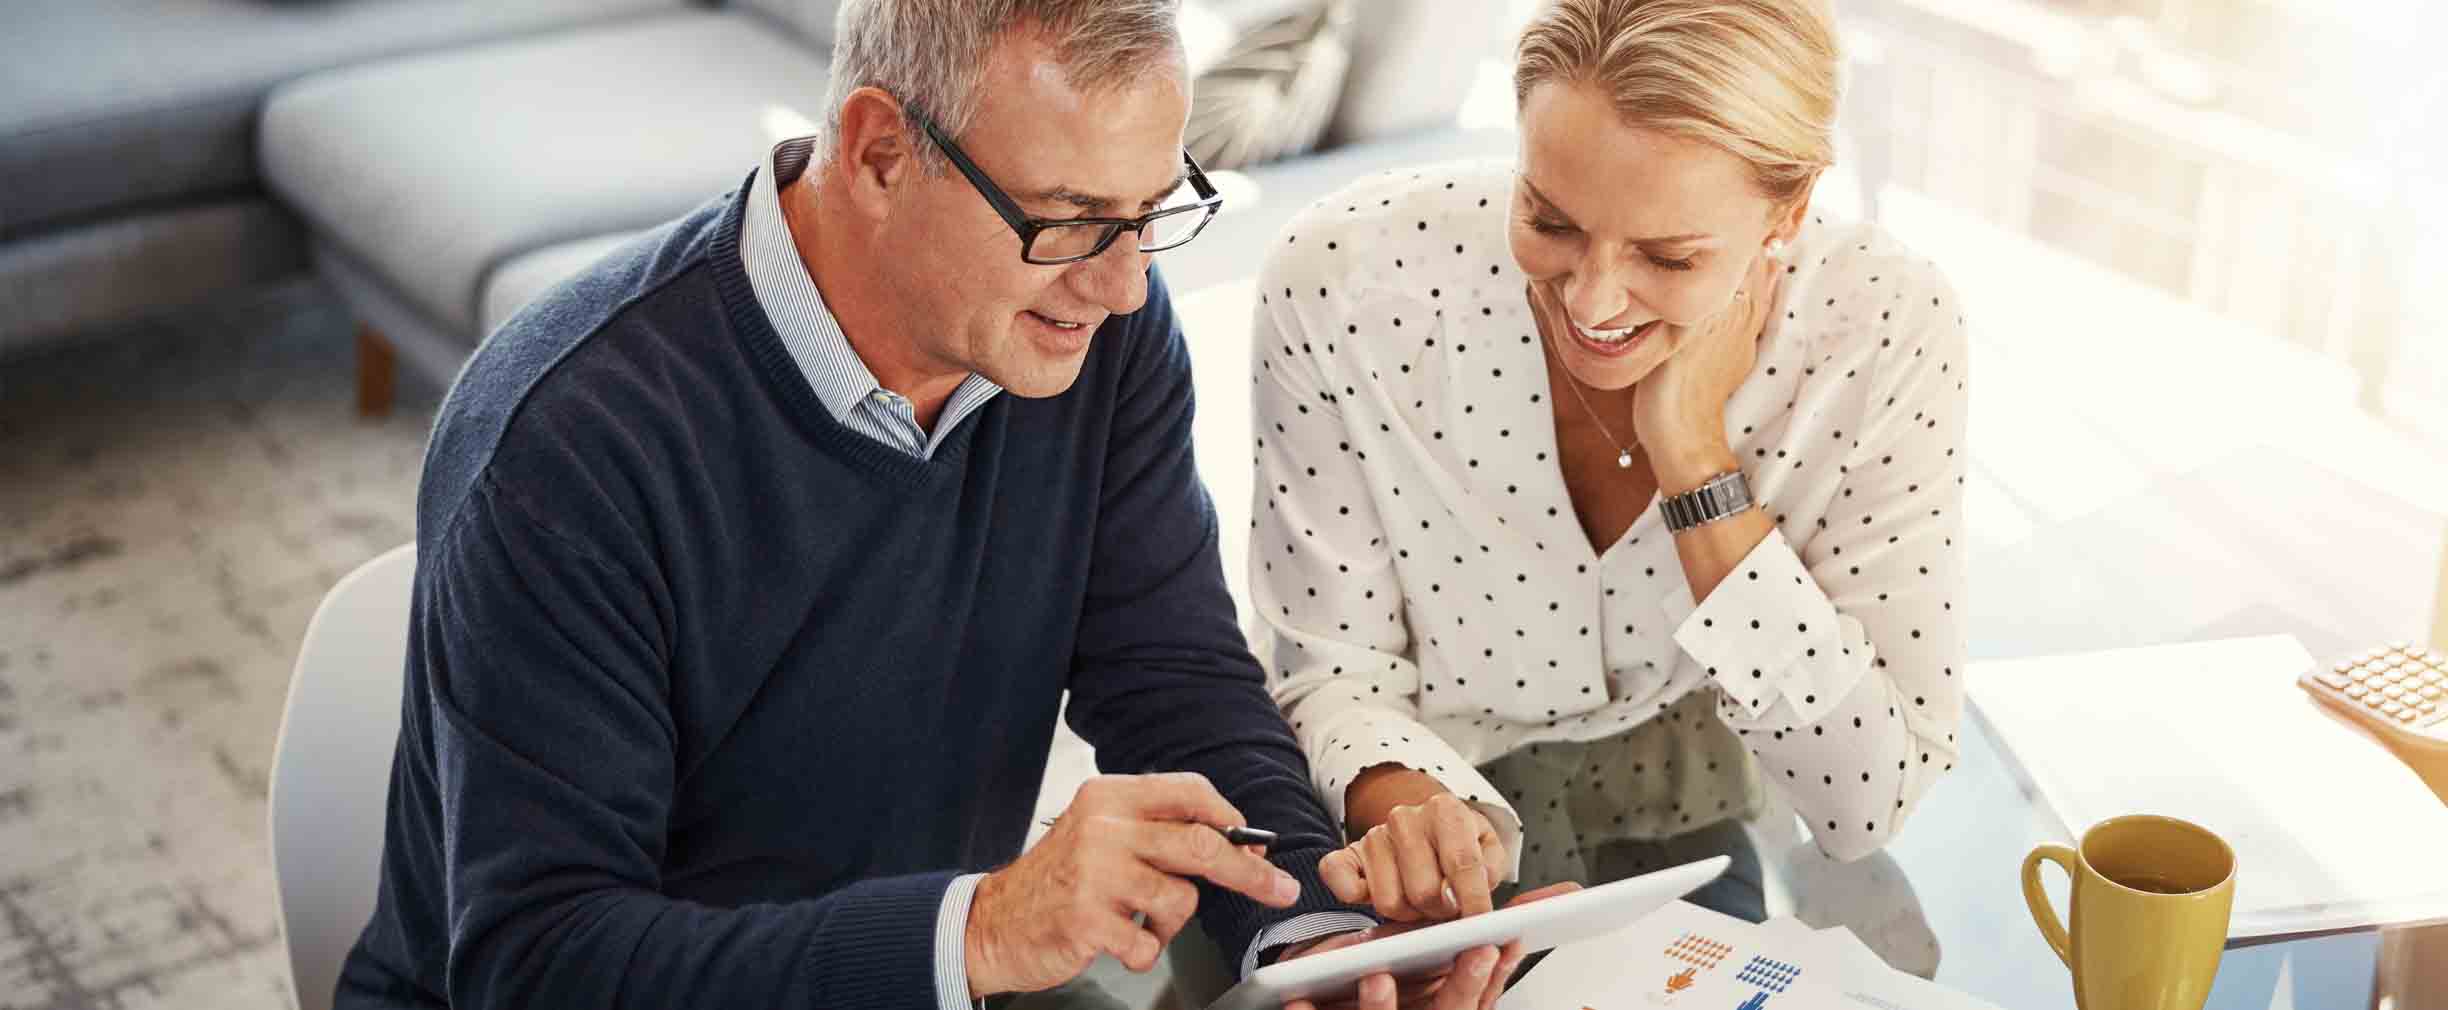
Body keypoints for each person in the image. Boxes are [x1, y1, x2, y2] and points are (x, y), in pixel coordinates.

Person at [331, 2, 1545, 1008]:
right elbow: (537, 959)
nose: (1121, 285)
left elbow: (1171, 680)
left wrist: (1315, 941)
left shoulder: (1090, 341)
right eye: (1070, 221)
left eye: (1150, 212)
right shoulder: (572, 438)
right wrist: (977, 930)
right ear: (875, 153)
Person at [1246, 0, 1970, 926]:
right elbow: (1329, 665)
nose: (1590, 301)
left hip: (1677, 813)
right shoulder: (1342, 281)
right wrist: (1411, 816)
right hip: (1388, 816)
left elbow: (1864, 802)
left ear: (1788, 211)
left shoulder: (1881, 327)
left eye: (1668, 256)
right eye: (1549, 220)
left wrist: (1696, 463)